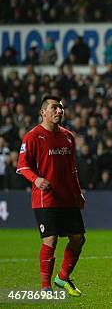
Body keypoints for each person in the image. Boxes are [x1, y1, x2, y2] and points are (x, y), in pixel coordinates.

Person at [16, 96, 86, 296]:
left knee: (78, 239)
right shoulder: (32, 136)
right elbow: (22, 165)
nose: (59, 111)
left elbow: (73, 169)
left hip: (68, 197)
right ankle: (46, 287)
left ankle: (62, 278)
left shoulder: (68, 137)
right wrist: (36, 179)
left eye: (61, 108)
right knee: (50, 240)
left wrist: (78, 193)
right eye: (54, 108)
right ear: (43, 112)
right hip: (45, 198)